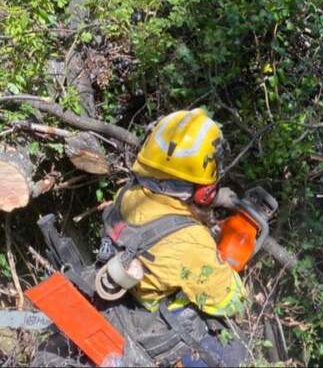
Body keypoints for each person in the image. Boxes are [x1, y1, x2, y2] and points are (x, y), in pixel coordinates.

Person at [35, 108, 250, 367]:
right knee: (235, 351)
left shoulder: (129, 194)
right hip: (148, 330)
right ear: (204, 191)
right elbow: (231, 302)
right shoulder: (191, 241)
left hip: (123, 298)